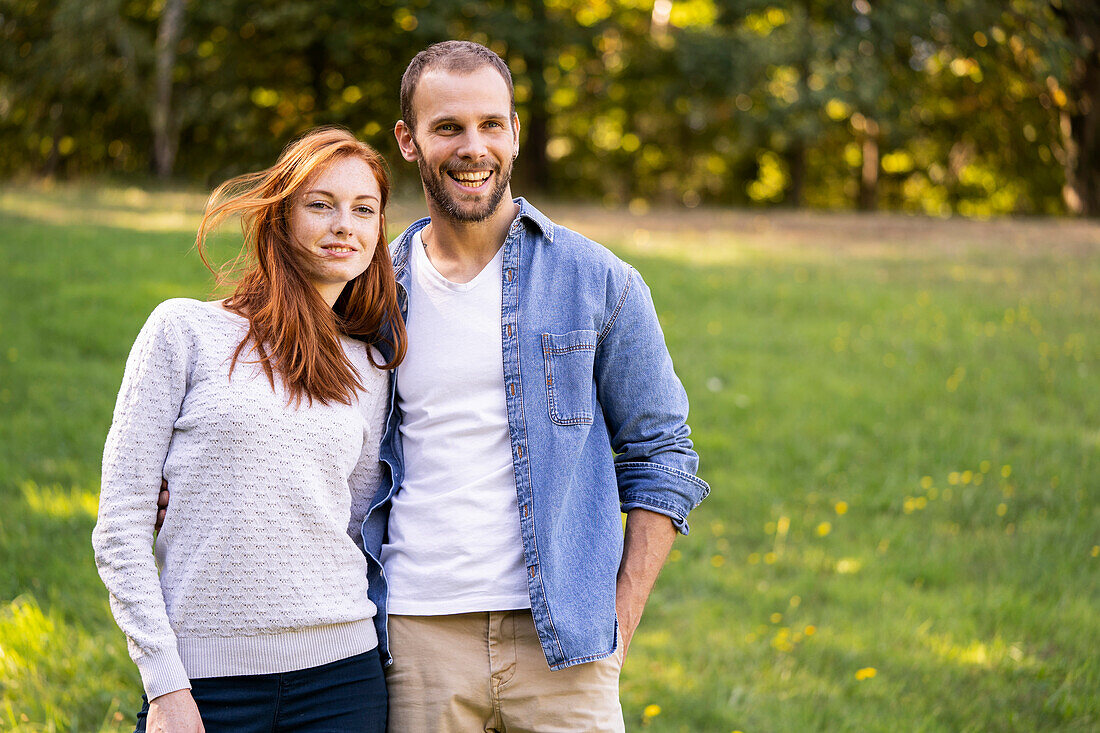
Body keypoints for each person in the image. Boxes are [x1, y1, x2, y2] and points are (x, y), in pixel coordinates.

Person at [362, 41, 711, 732]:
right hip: (418, 635)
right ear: (408, 140)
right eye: (448, 127)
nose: (474, 147)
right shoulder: (369, 289)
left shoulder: (598, 279)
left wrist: (621, 615)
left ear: (515, 132)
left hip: (567, 645)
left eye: (492, 124)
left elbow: (663, 451)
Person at [92, 127, 405, 733]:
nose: (345, 224)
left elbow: (360, 524)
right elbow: (120, 526)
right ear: (281, 218)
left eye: (364, 210)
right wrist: (164, 686)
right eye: (321, 204)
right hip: (204, 685)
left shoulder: (368, 366)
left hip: (344, 678)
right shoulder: (184, 332)